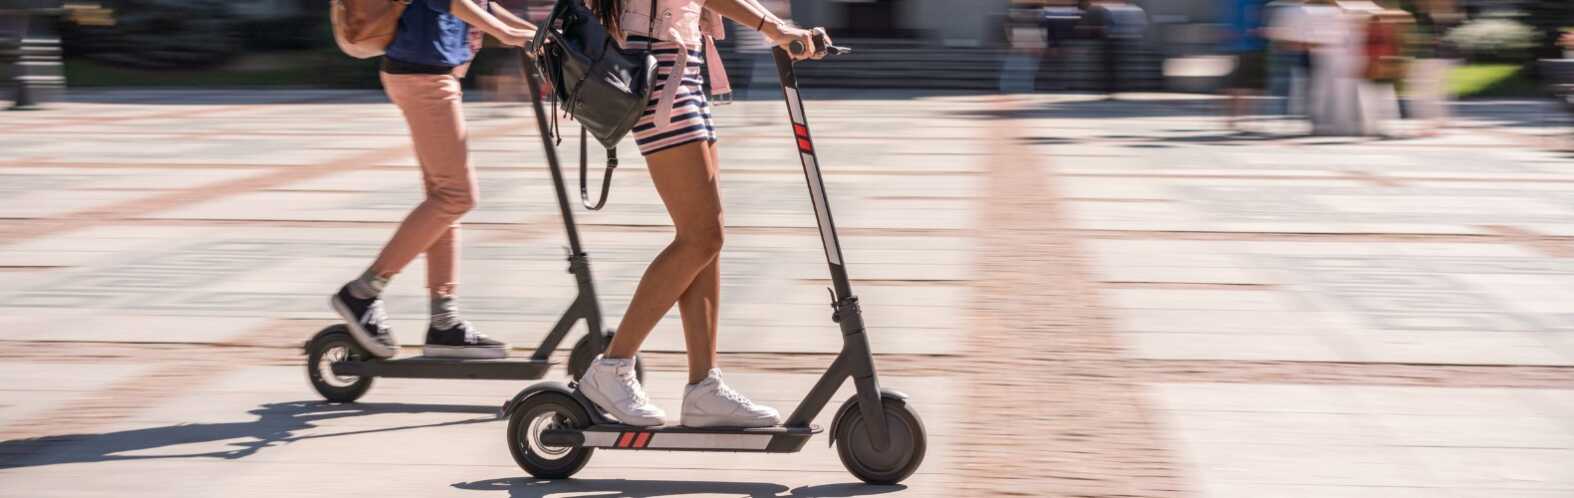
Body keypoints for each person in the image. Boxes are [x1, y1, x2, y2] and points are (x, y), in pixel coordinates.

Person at [573, 0, 826, 429]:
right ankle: (610, 368)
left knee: (707, 239)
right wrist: (774, 27)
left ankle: (704, 387)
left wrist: (778, 28)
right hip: (656, 71)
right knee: (702, 237)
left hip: (684, 66)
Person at [331, 0, 535, 360]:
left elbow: (478, 2)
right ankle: (362, 292)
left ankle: (444, 322)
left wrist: (529, 32)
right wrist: (506, 33)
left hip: (430, 70)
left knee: (444, 200)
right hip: (423, 74)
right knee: (457, 196)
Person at [1222, 0, 1270, 130]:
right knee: (1243, 85)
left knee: (1248, 85)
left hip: (1251, 47)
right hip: (1248, 47)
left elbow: (1228, 27)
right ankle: (1237, 118)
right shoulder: (1243, 3)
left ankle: (1241, 118)